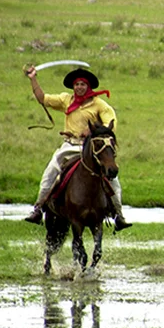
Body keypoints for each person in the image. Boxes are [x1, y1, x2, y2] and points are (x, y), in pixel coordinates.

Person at [23, 66, 131, 231]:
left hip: (92, 148)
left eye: (83, 84)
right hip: (70, 146)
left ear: (88, 86)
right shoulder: (66, 100)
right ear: (73, 86)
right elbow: (42, 98)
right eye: (77, 84)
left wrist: (94, 129)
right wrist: (33, 78)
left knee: (113, 180)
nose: (79, 87)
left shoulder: (99, 104)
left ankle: (119, 215)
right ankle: (38, 208)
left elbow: (111, 123)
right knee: (51, 172)